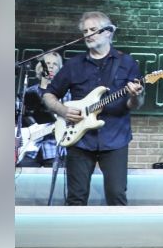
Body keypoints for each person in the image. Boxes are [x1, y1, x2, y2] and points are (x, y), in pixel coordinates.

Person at [42, 12, 145, 206]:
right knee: (76, 197)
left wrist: (135, 95)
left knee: (116, 195)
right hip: (79, 140)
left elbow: (135, 105)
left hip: (115, 139)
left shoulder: (127, 62)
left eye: (92, 30)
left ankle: (116, 236)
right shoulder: (74, 64)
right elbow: (48, 95)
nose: (87, 35)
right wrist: (63, 111)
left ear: (108, 32)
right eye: (85, 31)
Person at [17, 52, 65, 168]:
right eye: (47, 63)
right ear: (40, 67)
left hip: (54, 149)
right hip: (29, 150)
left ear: (60, 69)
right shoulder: (28, 93)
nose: (51, 66)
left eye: (55, 64)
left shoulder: (65, 93)